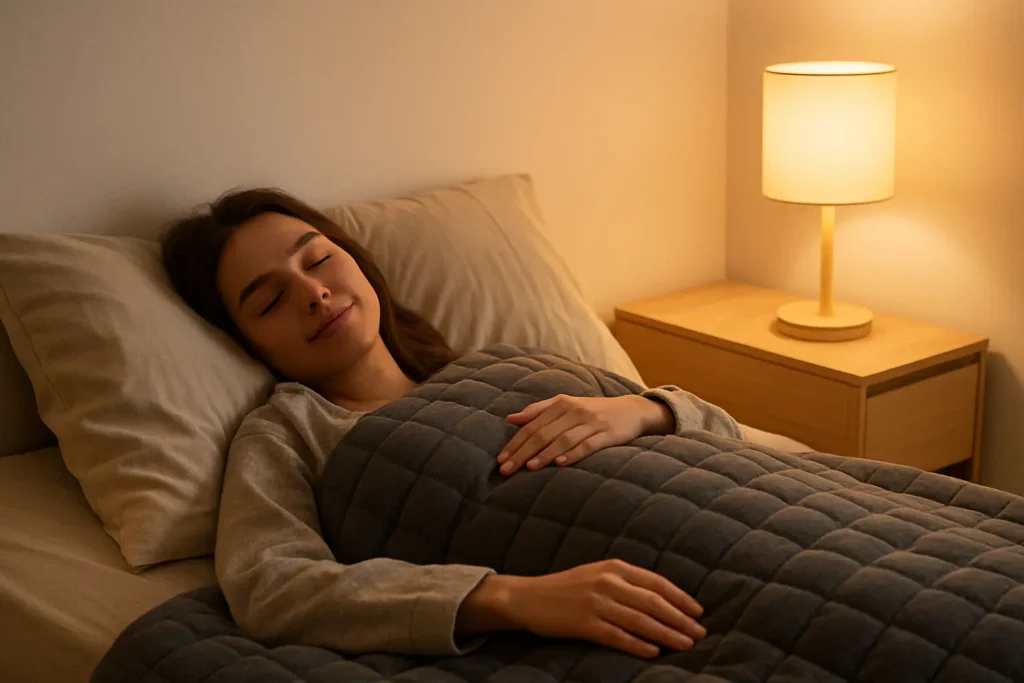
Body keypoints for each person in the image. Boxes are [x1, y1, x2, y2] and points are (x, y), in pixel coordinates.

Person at [161, 188, 743, 661]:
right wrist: (512, 597)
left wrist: (644, 410)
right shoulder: (289, 432)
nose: (313, 292)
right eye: (269, 302)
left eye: (319, 260)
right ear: (244, 343)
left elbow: (728, 434)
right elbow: (272, 585)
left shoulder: (507, 361)